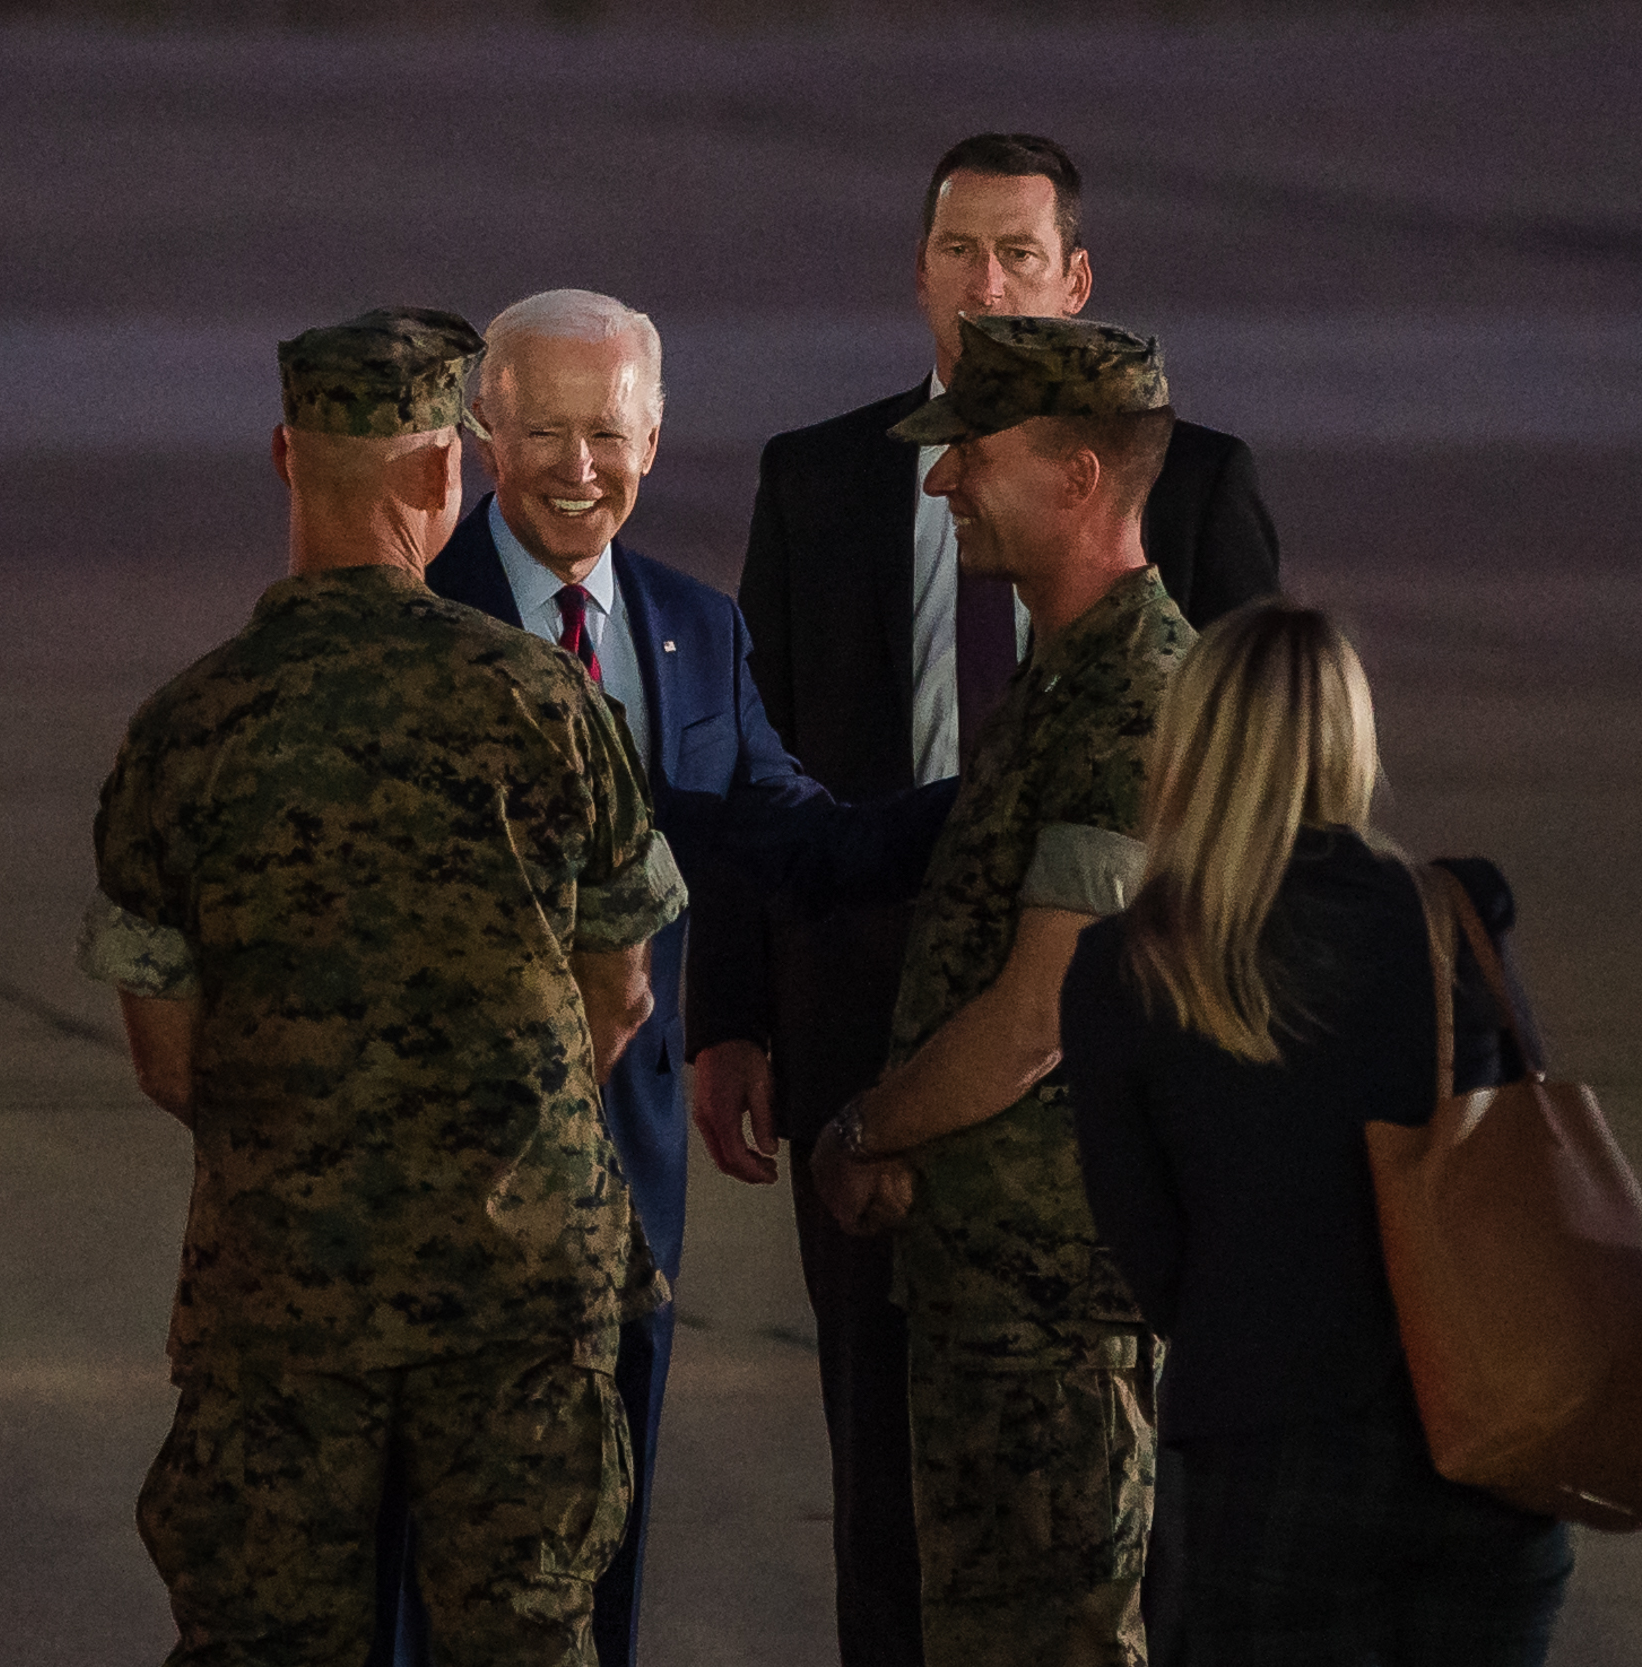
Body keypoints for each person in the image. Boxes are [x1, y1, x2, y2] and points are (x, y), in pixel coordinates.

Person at [683, 130, 1279, 1667]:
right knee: (899, 1484)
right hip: (872, 1039)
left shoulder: (1166, 568)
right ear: (921, 267)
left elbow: (1203, 855)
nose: (989, 282)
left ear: (1076, 283)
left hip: (1073, 1141)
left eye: (1020, 255)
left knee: (1084, 1550)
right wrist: (741, 1014)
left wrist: (873, 1126)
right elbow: (784, 771)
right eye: (961, 251)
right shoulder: (824, 480)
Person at [78, 307, 689, 1667]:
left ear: (286, 454)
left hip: (283, 1296)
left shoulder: (188, 727)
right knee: (524, 1632)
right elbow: (623, 993)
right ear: (438, 478)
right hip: (521, 1289)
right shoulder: (543, 701)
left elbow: (165, 1054)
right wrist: (496, 1135)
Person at [375, 288, 958, 1667]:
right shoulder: (408, 625)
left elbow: (793, 838)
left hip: (629, 1180)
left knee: (605, 1524)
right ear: (484, 431)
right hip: (451, 1181)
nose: (582, 469)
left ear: (657, 432)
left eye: (612, 434)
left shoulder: (692, 625)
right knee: (428, 1545)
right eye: (546, 434)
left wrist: (988, 802)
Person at [1061, 602, 1575, 1666]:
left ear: (1192, 744)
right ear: (1351, 738)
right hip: (1486, 1443)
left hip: (1274, 1459)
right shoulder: (1451, 916)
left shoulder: (1132, 966)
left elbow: (1153, 1261)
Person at [801, 313, 1191, 1666]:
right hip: (987, 1292)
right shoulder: (1060, 678)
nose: (940, 480)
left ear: (1080, 476)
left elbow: (1038, 1018)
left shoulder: (1134, 697)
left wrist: (867, 1130)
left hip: (1059, 1318)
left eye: (971, 450)